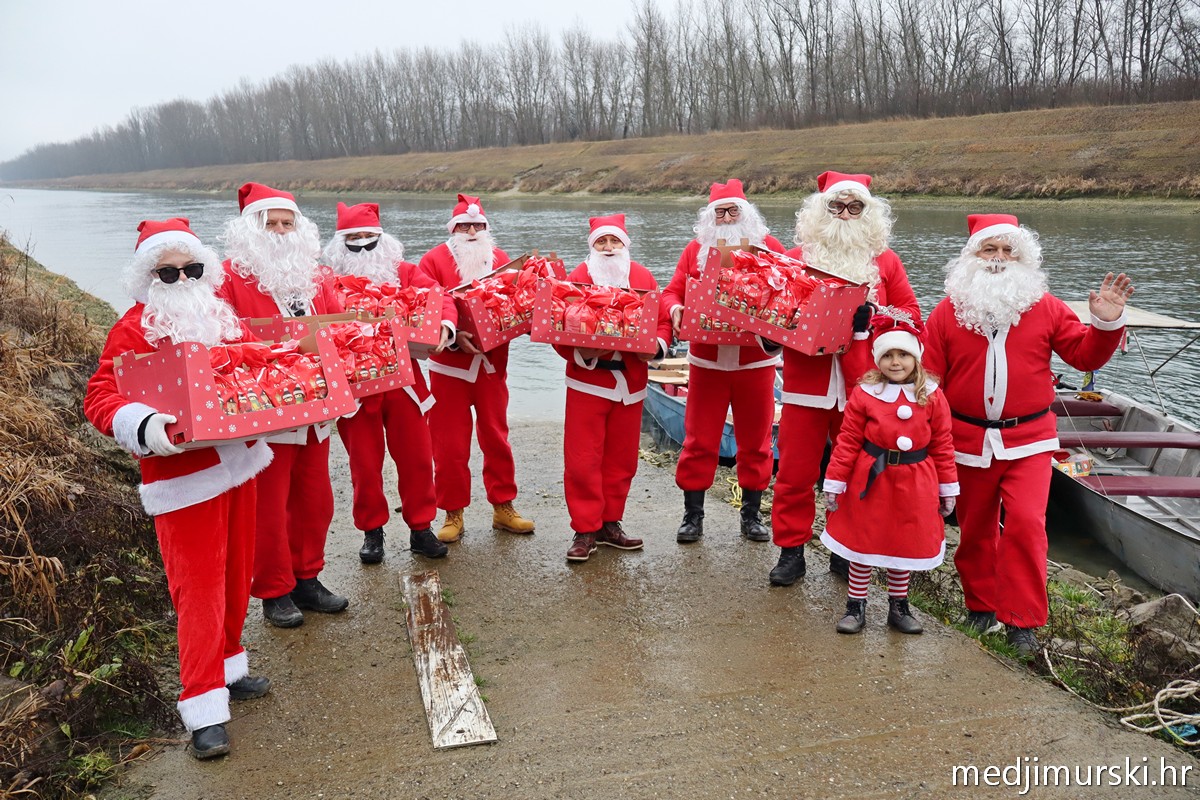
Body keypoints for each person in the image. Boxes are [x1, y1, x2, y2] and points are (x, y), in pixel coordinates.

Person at [83, 218, 273, 759]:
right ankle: (203, 706)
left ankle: (230, 666)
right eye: (168, 272)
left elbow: (249, 363)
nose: (183, 279)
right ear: (148, 276)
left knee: (238, 573)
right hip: (183, 479)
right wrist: (145, 425)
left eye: (192, 268)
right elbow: (100, 396)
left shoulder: (219, 313)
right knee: (198, 592)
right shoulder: (133, 328)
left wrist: (294, 375)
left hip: (240, 463)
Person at [922, 214, 1133, 657]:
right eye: (989, 250)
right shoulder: (947, 311)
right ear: (972, 257)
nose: (999, 260)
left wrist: (1106, 325)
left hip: (1030, 441)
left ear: (1023, 258)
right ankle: (980, 607)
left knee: (1026, 526)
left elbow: (1081, 356)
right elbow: (930, 378)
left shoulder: (1046, 306)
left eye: (1008, 251)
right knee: (974, 528)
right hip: (966, 441)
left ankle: (1022, 621)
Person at [767, 171, 921, 587]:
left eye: (856, 207)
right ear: (821, 211)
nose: (846, 215)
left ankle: (845, 548)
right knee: (795, 473)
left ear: (869, 213)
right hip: (805, 386)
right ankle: (791, 550)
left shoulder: (885, 261)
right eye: (837, 206)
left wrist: (875, 321)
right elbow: (774, 317)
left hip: (865, 388)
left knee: (856, 471)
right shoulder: (797, 257)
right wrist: (771, 337)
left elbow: (912, 315)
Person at [216, 182, 348, 628]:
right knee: (268, 507)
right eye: (268, 223)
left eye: (285, 223)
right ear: (250, 229)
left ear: (299, 228)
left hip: (316, 409)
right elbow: (225, 339)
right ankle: (275, 590)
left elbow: (336, 325)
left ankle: (307, 577)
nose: (278, 231)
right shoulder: (229, 278)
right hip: (267, 411)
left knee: (315, 499)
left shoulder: (316, 275)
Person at [322, 201, 455, 563]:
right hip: (355, 388)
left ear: (383, 239)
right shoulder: (325, 281)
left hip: (405, 384)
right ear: (339, 242)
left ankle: (420, 528)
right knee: (364, 465)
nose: (363, 244)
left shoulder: (406, 272)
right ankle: (372, 531)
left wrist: (445, 325)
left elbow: (439, 298)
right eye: (354, 238)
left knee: (416, 458)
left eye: (369, 237)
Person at [661, 179, 785, 545]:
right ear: (710, 217)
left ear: (746, 214)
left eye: (733, 211)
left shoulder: (770, 248)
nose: (727, 218)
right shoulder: (695, 250)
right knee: (699, 441)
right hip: (707, 363)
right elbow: (671, 291)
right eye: (721, 212)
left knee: (757, 442)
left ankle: (751, 515)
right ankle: (693, 515)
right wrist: (675, 308)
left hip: (756, 364)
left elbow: (791, 292)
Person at [818, 314, 959, 634]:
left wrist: (948, 488)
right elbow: (848, 441)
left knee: (904, 543)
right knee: (862, 542)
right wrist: (835, 482)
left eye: (903, 355)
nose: (896, 362)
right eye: (888, 355)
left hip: (916, 481)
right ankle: (856, 604)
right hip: (871, 479)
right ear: (878, 359)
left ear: (915, 358)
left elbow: (943, 444)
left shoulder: (933, 395)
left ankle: (899, 605)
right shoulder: (866, 393)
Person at [418, 194, 537, 543]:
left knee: (496, 437)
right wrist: (454, 339)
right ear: (453, 229)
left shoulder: (501, 260)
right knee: (449, 444)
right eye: (464, 226)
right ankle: (453, 511)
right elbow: (427, 309)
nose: (471, 231)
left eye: (478, 225)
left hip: (491, 368)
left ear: (486, 229)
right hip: (449, 370)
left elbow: (518, 303)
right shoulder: (433, 261)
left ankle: (503, 506)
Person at [556, 215, 672, 562]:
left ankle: (610, 524)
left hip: (631, 384)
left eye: (614, 242)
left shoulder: (643, 276)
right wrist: (581, 351)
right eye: (601, 243)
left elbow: (663, 320)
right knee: (582, 460)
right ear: (592, 246)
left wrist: (658, 347)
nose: (608, 249)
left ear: (625, 245)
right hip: (588, 381)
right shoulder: (578, 277)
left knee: (621, 461)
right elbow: (557, 323)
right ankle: (585, 529)